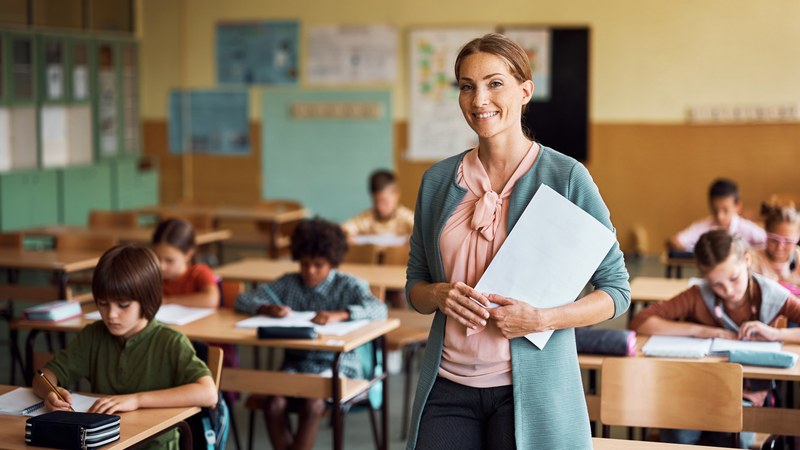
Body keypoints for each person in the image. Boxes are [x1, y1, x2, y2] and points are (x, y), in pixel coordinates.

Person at [405, 33, 630, 450]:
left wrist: (543, 320)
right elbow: (414, 288)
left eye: (494, 84)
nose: (479, 100)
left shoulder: (566, 178)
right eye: (467, 86)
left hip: (528, 391)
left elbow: (616, 291)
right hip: (448, 386)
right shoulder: (436, 182)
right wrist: (437, 294)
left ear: (524, 91)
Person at [32, 244, 218, 449]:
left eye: (123, 305)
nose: (111, 315)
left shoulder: (171, 341)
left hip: (155, 445)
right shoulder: (94, 335)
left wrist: (136, 400)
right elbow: (44, 375)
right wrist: (51, 392)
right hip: (105, 443)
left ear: (147, 299)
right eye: (103, 303)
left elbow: (208, 393)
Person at [631, 229, 800, 447]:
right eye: (717, 284)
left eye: (733, 278)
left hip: (745, 394)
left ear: (747, 260)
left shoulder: (771, 294)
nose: (728, 290)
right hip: (695, 390)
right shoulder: (698, 294)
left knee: (732, 436)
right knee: (679, 436)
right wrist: (702, 331)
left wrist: (776, 334)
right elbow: (641, 321)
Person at [234, 217, 387, 450]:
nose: (310, 271)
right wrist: (267, 308)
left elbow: (379, 309)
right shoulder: (290, 283)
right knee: (273, 404)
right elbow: (243, 299)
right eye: (304, 264)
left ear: (332, 263)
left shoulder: (348, 285)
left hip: (340, 364)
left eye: (318, 265)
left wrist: (341, 314)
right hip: (297, 362)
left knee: (312, 403)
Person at [668, 178, 766, 252]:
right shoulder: (704, 226)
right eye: (715, 210)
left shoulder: (746, 228)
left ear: (737, 206)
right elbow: (676, 241)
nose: (720, 216)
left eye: (725, 210)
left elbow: (769, 242)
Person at [151, 218, 220, 308]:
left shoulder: (199, 273)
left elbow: (211, 300)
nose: (161, 266)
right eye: (157, 257)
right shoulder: (152, 277)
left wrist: (167, 300)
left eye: (169, 260)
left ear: (188, 254)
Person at [342, 169, 414, 242]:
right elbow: (344, 230)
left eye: (384, 202)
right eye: (376, 201)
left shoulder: (406, 217)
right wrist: (347, 236)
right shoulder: (366, 219)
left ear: (396, 194)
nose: (380, 207)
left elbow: (424, 231)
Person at [752, 203, 800, 295]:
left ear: (797, 239)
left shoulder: (798, 258)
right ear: (766, 233)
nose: (780, 247)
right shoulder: (752, 258)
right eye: (774, 240)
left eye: (788, 241)